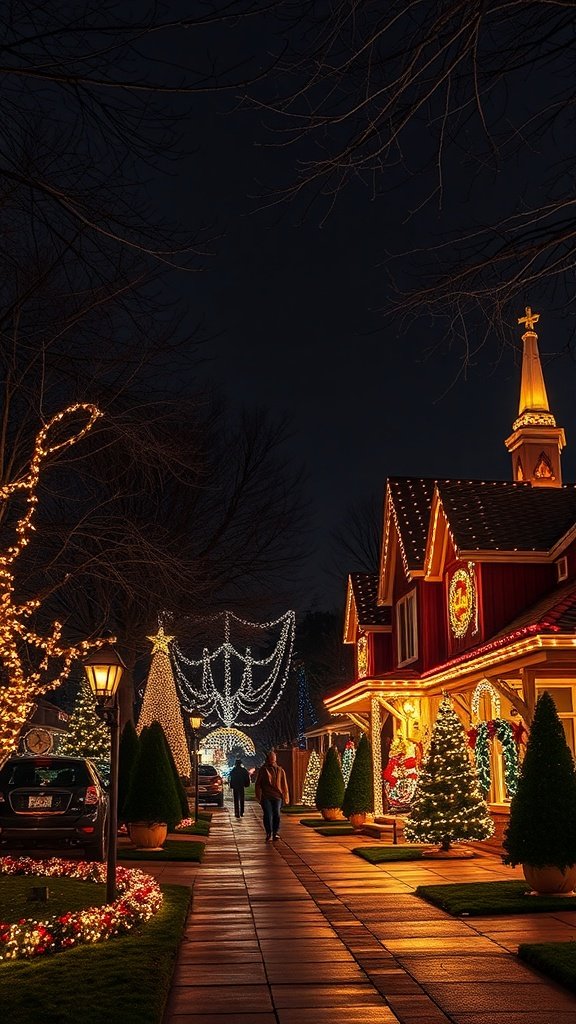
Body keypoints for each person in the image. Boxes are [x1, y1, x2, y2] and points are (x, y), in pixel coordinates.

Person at [254, 750, 290, 842]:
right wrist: (258, 796)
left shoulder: (280, 770)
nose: (272, 760)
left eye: (273, 758)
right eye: (271, 758)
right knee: (267, 814)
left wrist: (285, 796)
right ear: (268, 759)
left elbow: (284, 784)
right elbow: (258, 784)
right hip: (266, 796)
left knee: (276, 814)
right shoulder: (263, 770)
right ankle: (269, 833)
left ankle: (275, 833)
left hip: (277, 796)